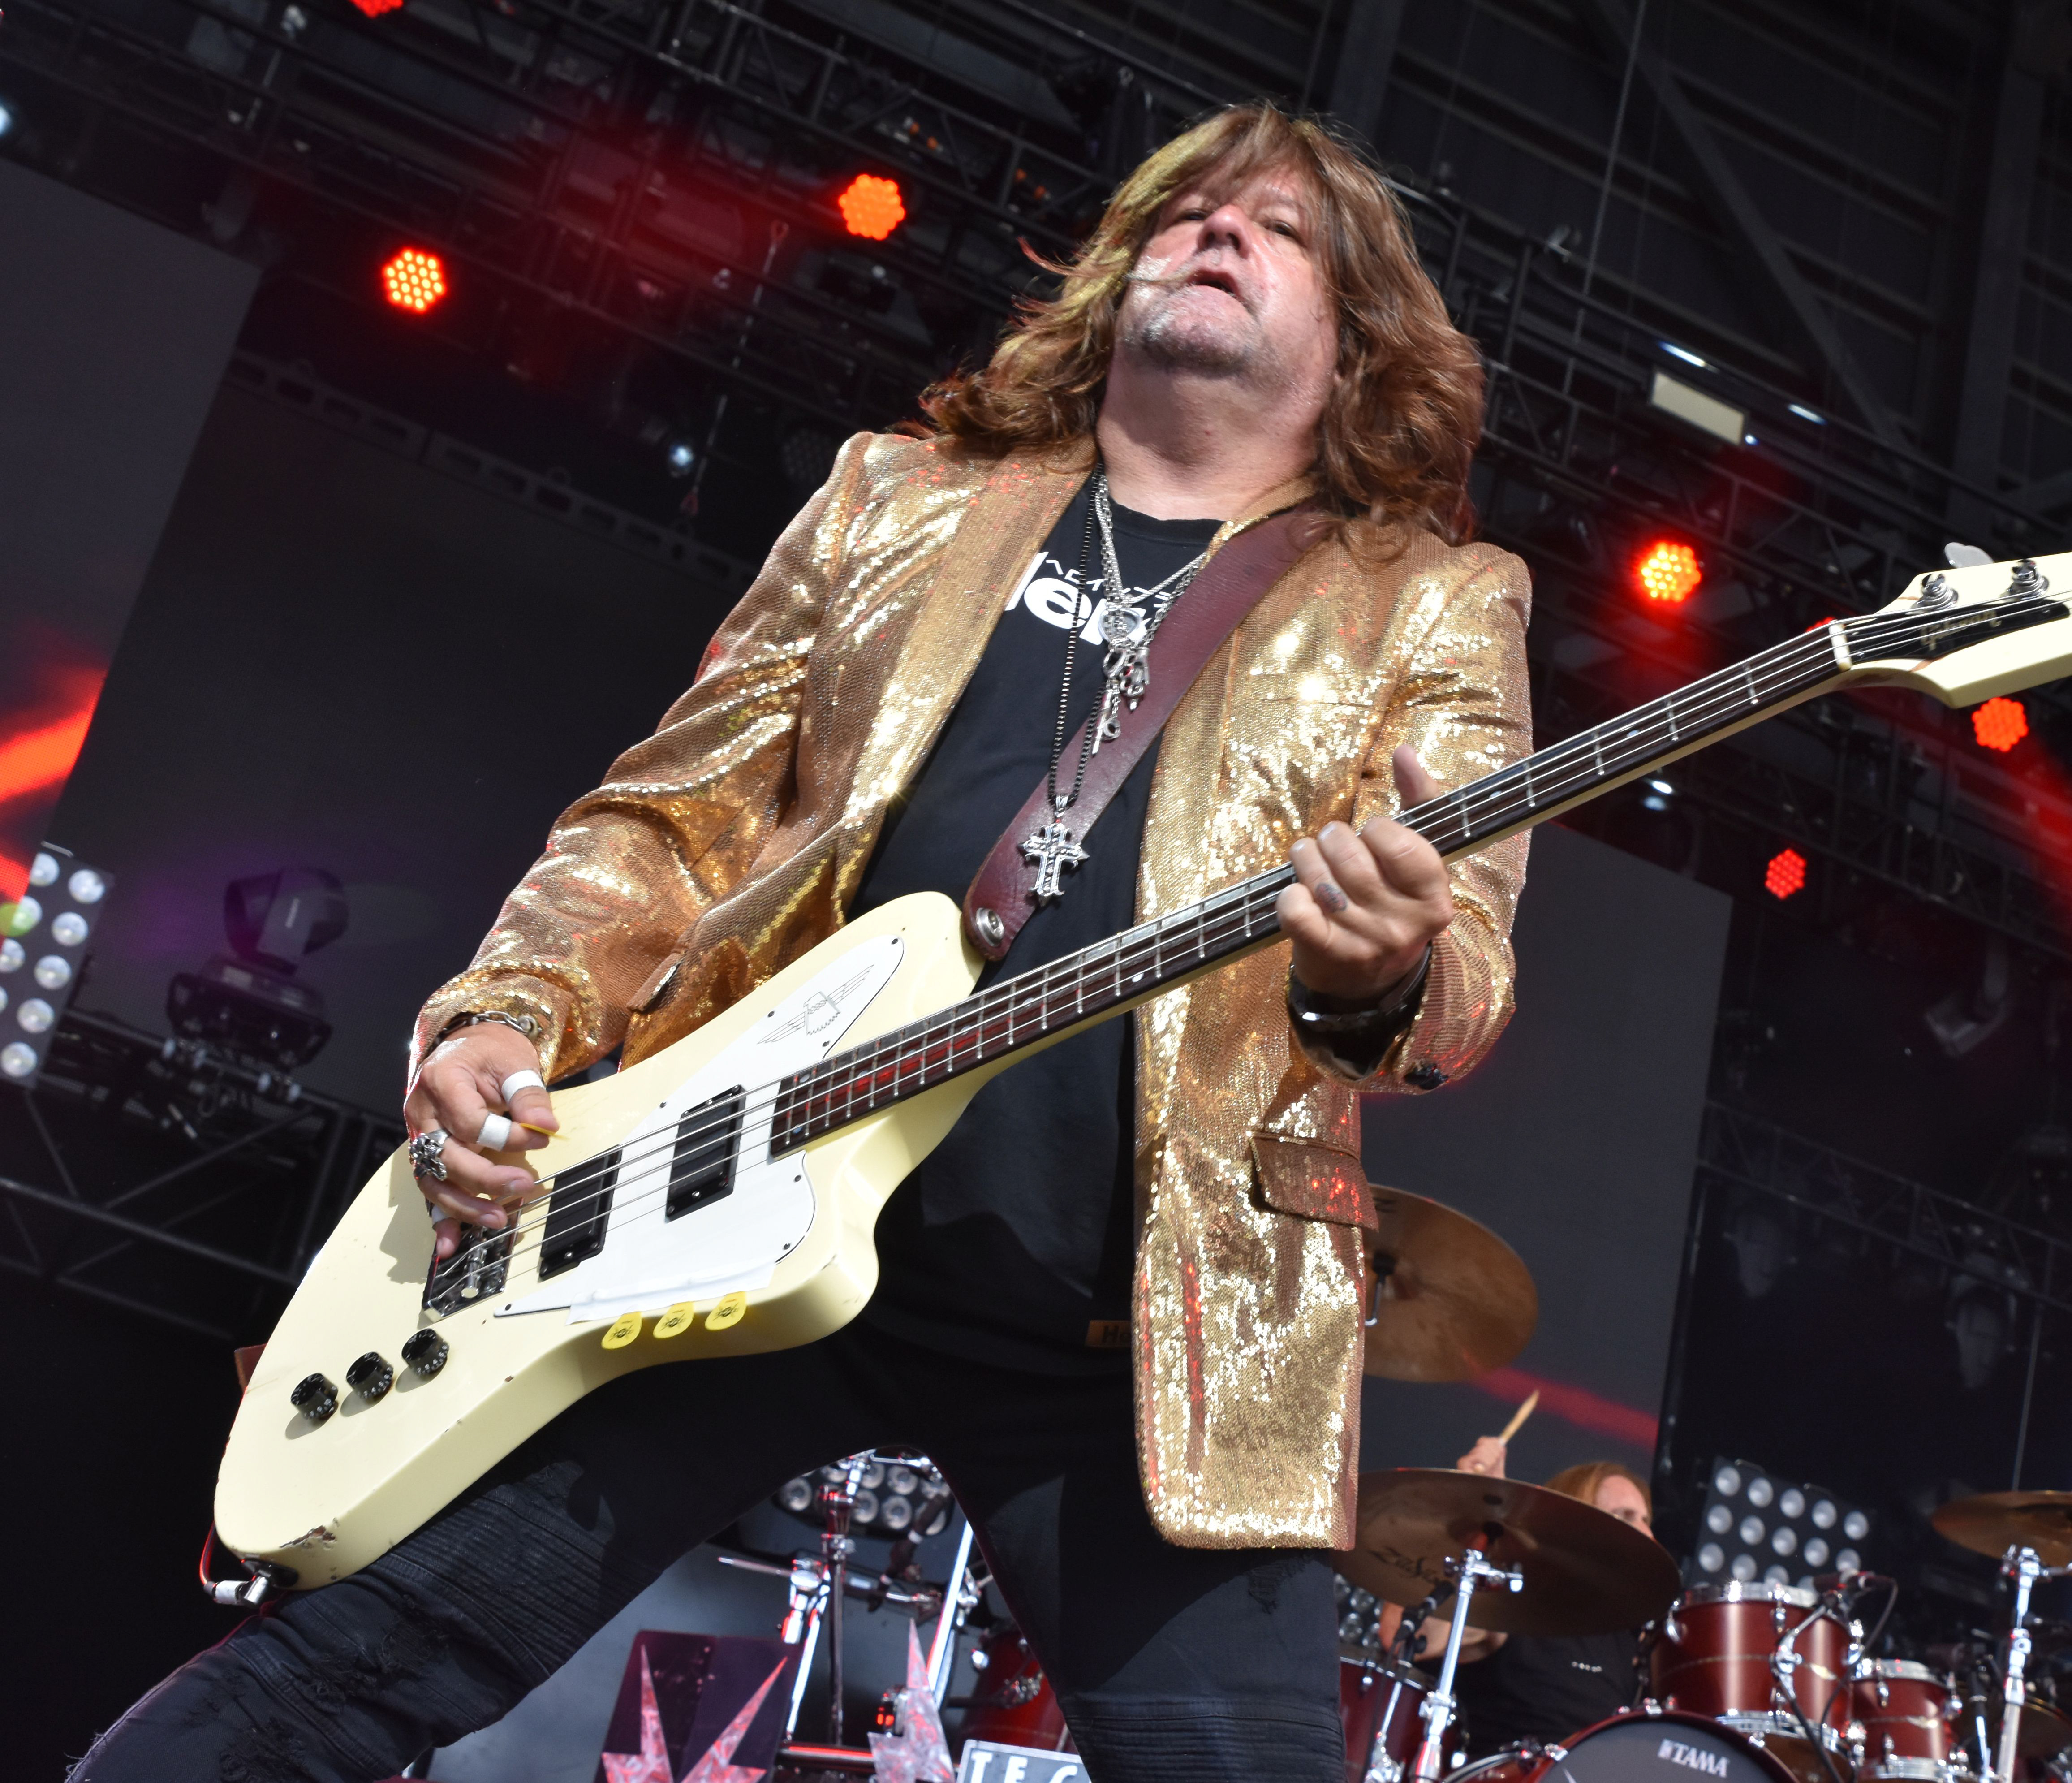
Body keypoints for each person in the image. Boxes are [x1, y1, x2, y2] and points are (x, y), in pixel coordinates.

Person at [74, 101, 1532, 1783]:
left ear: (1357, 341)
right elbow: (663, 820)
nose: (1217, 232)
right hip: (734, 1205)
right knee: (332, 1679)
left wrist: (1380, 971)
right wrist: (504, 1012)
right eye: (1185, 209)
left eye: (1277, 229)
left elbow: (1467, 969)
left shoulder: (1429, 600)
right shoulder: (893, 501)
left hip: (1139, 1327)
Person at [1385, 1437, 1658, 1754]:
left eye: (1646, 1520)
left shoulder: (1635, 1642)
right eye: (1625, 1516)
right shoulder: (1515, 1602)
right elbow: (1403, 1637)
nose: (1647, 1533)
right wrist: (1479, 1515)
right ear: (1572, 1525)